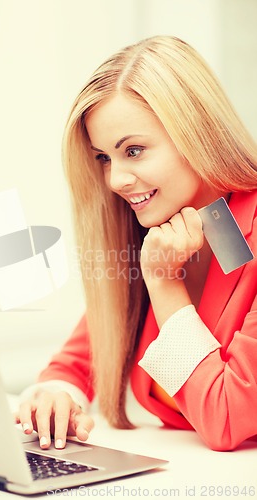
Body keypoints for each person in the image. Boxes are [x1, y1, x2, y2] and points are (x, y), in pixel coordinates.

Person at [17, 35, 257, 452]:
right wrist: (55, 400)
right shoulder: (155, 235)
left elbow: (226, 416)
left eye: (134, 150)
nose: (115, 180)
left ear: (197, 134)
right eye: (104, 158)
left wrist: (164, 285)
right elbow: (73, 365)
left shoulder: (166, 257)